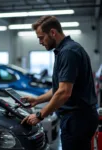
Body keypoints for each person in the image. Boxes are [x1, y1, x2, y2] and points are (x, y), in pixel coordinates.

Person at [21, 16, 99, 150]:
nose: (40, 42)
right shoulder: (66, 50)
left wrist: (40, 115)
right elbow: (59, 88)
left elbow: (64, 92)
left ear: (52, 32)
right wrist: (37, 100)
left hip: (77, 120)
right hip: (79, 118)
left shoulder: (68, 52)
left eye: (41, 37)